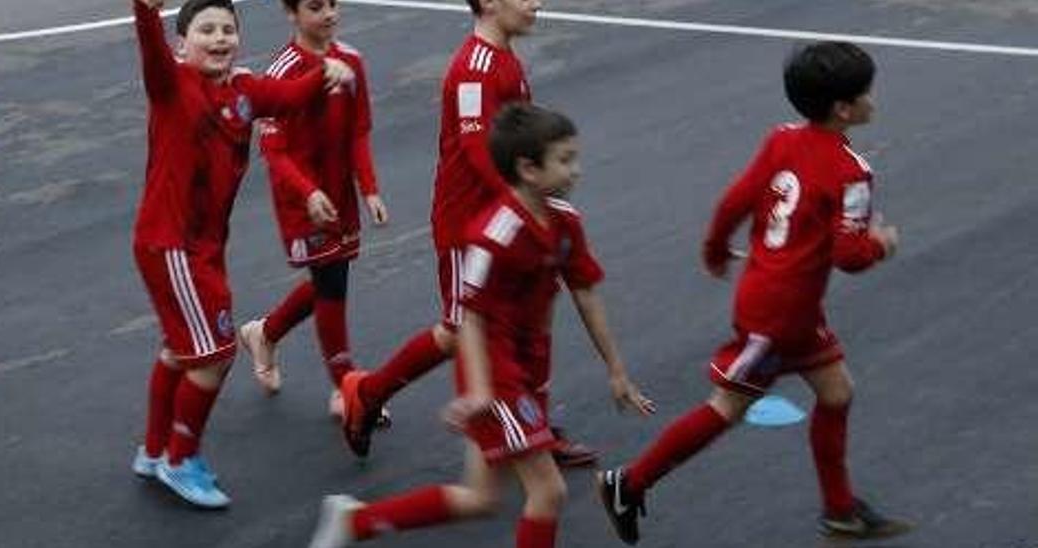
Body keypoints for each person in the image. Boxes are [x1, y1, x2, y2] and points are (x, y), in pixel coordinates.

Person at [595, 41, 911, 543]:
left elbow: (736, 199)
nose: (874, 99)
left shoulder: (782, 139)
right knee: (727, 406)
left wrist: (716, 248)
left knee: (836, 392)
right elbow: (849, 257)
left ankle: (839, 508)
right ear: (844, 109)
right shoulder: (852, 172)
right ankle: (629, 483)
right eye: (867, 93)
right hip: (780, 318)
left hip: (780, 301)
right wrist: (882, 244)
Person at [308, 103, 654, 548]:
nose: (577, 170)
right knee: (547, 492)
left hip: (525, 366)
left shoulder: (565, 221)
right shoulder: (494, 235)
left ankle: (356, 523)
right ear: (528, 169)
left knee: (481, 497)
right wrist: (480, 391)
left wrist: (617, 370)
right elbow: (469, 316)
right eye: (565, 160)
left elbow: (585, 292)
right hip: (496, 371)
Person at [336, 0, 599, 467]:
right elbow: (482, 157)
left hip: (507, 225)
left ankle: (530, 423)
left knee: (529, 318)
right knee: (462, 330)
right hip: (470, 230)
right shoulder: (474, 71)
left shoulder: (506, 59)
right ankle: (368, 393)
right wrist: (532, 211)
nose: (536, 3)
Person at [126, 0, 355, 509]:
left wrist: (324, 73)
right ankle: (180, 460)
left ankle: (155, 449)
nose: (219, 38)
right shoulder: (172, 87)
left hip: (201, 247)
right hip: (174, 245)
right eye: (205, 30)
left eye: (228, 29)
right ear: (181, 45)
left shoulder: (245, 92)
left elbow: (291, 96)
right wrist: (145, 12)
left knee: (178, 350)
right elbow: (150, 52)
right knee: (215, 357)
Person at [239, 0, 393, 424]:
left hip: (339, 193)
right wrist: (307, 192)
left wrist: (370, 189)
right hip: (302, 197)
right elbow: (274, 148)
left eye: (332, 4)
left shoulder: (352, 62)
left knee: (330, 275)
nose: (328, 14)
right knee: (331, 281)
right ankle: (345, 387)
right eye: (314, 7)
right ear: (291, 13)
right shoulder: (283, 70)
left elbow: (359, 131)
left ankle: (264, 333)